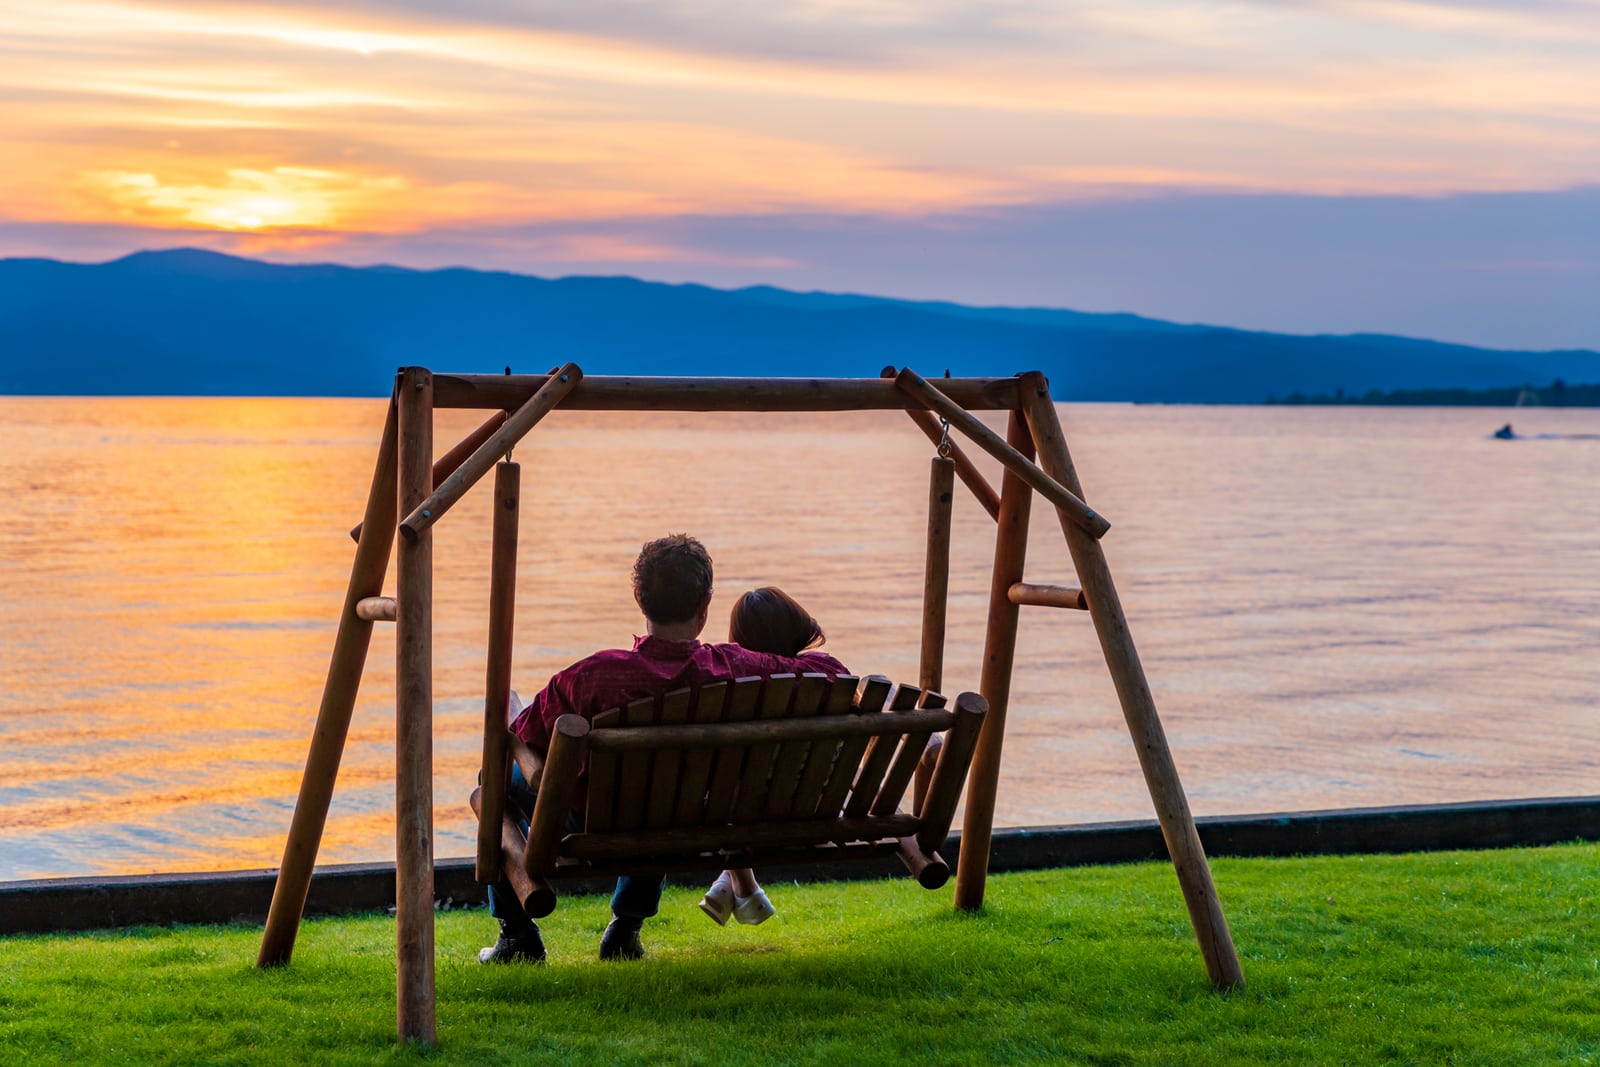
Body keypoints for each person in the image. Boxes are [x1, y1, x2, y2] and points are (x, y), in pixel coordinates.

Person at [480, 535, 847, 965]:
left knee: (494, 783)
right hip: (677, 816)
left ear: (641, 600)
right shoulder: (733, 668)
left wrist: (511, 724)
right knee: (658, 791)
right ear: (705, 604)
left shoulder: (590, 676)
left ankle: (516, 935)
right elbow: (830, 672)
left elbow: (526, 735)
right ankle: (625, 927)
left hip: (588, 819)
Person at [697, 587, 828, 928]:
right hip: (812, 807)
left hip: (740, 810)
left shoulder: (731, 688)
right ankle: (738, 885)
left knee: (725, 787)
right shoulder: (826, 680)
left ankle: (742, 883)